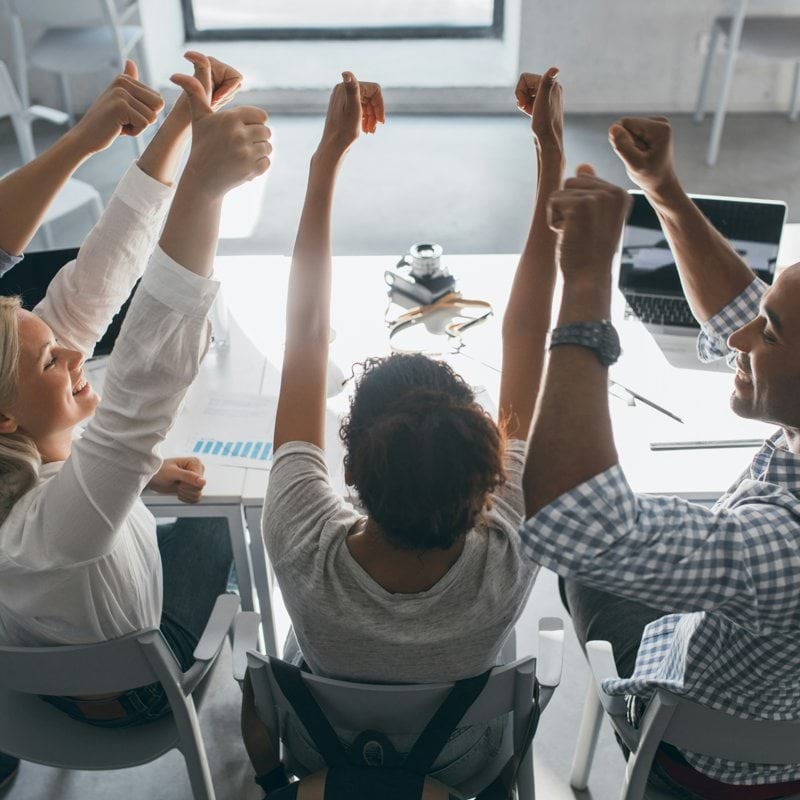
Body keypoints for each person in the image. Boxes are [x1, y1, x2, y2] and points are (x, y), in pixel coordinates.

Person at [246, 68, 564, 795]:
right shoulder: (510, 550)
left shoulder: (298, 539)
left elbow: (303, 336)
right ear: (487, 479)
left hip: (321, 754)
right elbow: (528, 335)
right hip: (459, 766)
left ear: (350, 475)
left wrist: (328, 156)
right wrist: (548, 150)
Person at [0, 53, 270, 790]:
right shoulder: (56, 533)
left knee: (174, 492)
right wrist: (204, 192)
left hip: (32, 669)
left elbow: (92, 289)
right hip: (131, 696)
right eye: (54, 361)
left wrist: (179, 129)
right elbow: (145, 385)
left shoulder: (21, 466)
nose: (74, 352)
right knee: (224, 522)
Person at [520, 117, 800, 798]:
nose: (742, 339)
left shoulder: (783, 543)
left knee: (584, 573)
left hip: (707, 761)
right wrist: (664, 190)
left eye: (772, 330)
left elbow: (570, 524)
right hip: (775, 696)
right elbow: (739, 313)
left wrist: (585, 282)